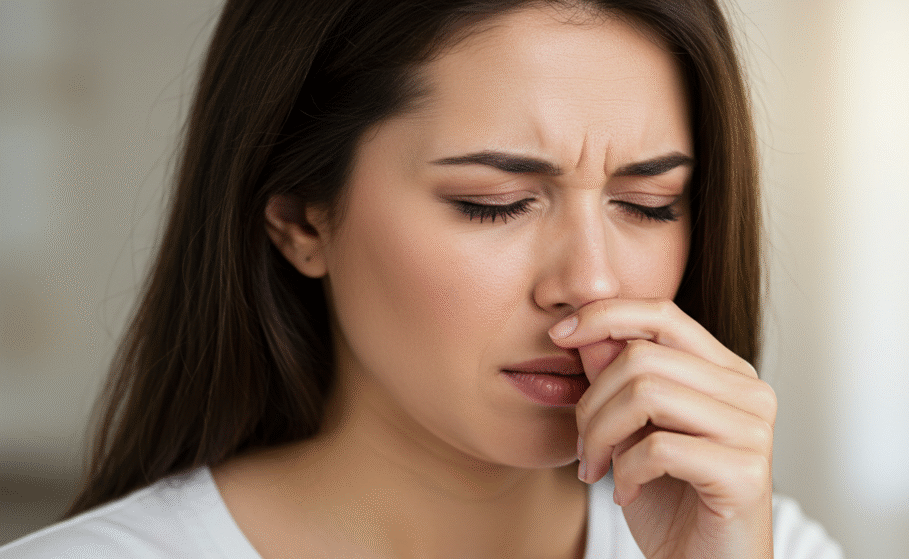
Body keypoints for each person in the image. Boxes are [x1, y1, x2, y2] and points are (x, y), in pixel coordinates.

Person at [1, 0, 843, 557]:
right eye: (495, 202)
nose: (591, 281)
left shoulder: (759, 540)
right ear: (300, 217)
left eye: (649, 203)